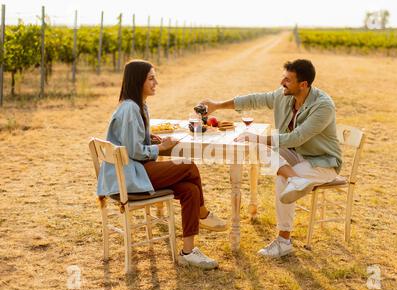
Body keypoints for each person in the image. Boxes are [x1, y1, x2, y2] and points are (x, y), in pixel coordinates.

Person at [200, 59, 342, 258]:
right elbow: (254, 99)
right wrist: (217, 105)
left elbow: (297, 137)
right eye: (283, 76)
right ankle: (295, 178)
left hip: (322, 162)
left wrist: (259, 137)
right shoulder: (284, 95)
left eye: (287, 79)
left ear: (303, 84)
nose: (282, 82)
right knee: (256, 146)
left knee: (281, 179)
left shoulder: (323, 106)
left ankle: (284, 241)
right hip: (296, 155)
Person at [97, 59, 227, 270]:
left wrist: (149, 137)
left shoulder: (138, 106)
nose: (156, 82)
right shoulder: (130, 108)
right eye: (151, 78)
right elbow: (133, 152)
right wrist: (161, 146)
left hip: (134, 171)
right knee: (189, 167)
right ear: (138, 81)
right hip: (129, 176)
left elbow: (133, 141)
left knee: (190, 190)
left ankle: (188, 252)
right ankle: (203, 214)